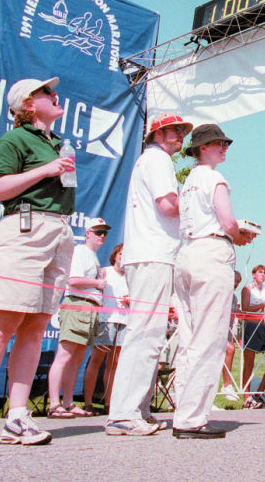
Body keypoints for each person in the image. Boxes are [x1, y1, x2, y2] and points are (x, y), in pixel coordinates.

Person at [0, 77, 75, 451]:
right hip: (23, 230)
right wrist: (44, 170)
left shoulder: (56, 142)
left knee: (37, 326)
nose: (54, 95)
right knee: (2, 323)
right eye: (44, 92)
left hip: (59, 231)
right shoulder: (15, 140)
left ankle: (17, 416)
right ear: (26, 104)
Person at [106, 113, 192, 436]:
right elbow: (169, 204)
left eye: (182, 131)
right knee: (145, 334)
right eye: (175, 130)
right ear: (158, 133)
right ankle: (124, 413)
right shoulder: (157, 160)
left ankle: (135, 409)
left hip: (149, 254)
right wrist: (198, 202)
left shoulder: (152, 160)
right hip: (153, 255)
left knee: (149, 334)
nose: (180, 135)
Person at [172, 123, 254, 439]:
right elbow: (227, 221)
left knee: (189, 337)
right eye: (217, 143)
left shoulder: (189, 180)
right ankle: (193, 418)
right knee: (210, 336)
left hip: (187, 253)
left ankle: (184, 408)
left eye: (224, 142)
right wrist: (239, 234)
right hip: (211, 252)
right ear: (202, 147)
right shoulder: (215, 178)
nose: (223, 147)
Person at [47, 217, 109, 417]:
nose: (102, 236)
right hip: (77, 305)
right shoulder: (80, 252)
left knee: (77, 359)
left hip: (90, 308)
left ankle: (68, 402)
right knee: (64, 356)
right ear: (87, 233)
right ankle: (54, 403)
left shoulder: (92, 256)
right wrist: (97, 284)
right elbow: (72, 280)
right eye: (98, 232)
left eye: (105, 233)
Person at [82, 241, 129, 413]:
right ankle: (87, 402)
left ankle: (109, 403)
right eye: (121, 253)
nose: (123, 256)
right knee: (96, 361)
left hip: (123, 321)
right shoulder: (104, 272)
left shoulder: (130, 277)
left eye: (127, 254)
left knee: (114, 363)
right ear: (115, 255)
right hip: (105, 320)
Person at [240, 264, 265, 408]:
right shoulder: (247, 289)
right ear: (253, 274)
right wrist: (264, 302)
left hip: (263, 328)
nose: (263, 275)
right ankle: (246, 397)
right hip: (251, 325)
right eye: (260, 272)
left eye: (264, 273)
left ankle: (258, 392)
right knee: (249, 363)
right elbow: (245, 309)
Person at [219, 270, 243, 402]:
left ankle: (226, 386)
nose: (236, 284)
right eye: (234, 280)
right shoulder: (220, 293)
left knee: (227, 352)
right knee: (231, 349)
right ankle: (227, 385)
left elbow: (236, 312)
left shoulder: (234, 297)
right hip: (216, 331)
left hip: (227, 332)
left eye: (238, 281)